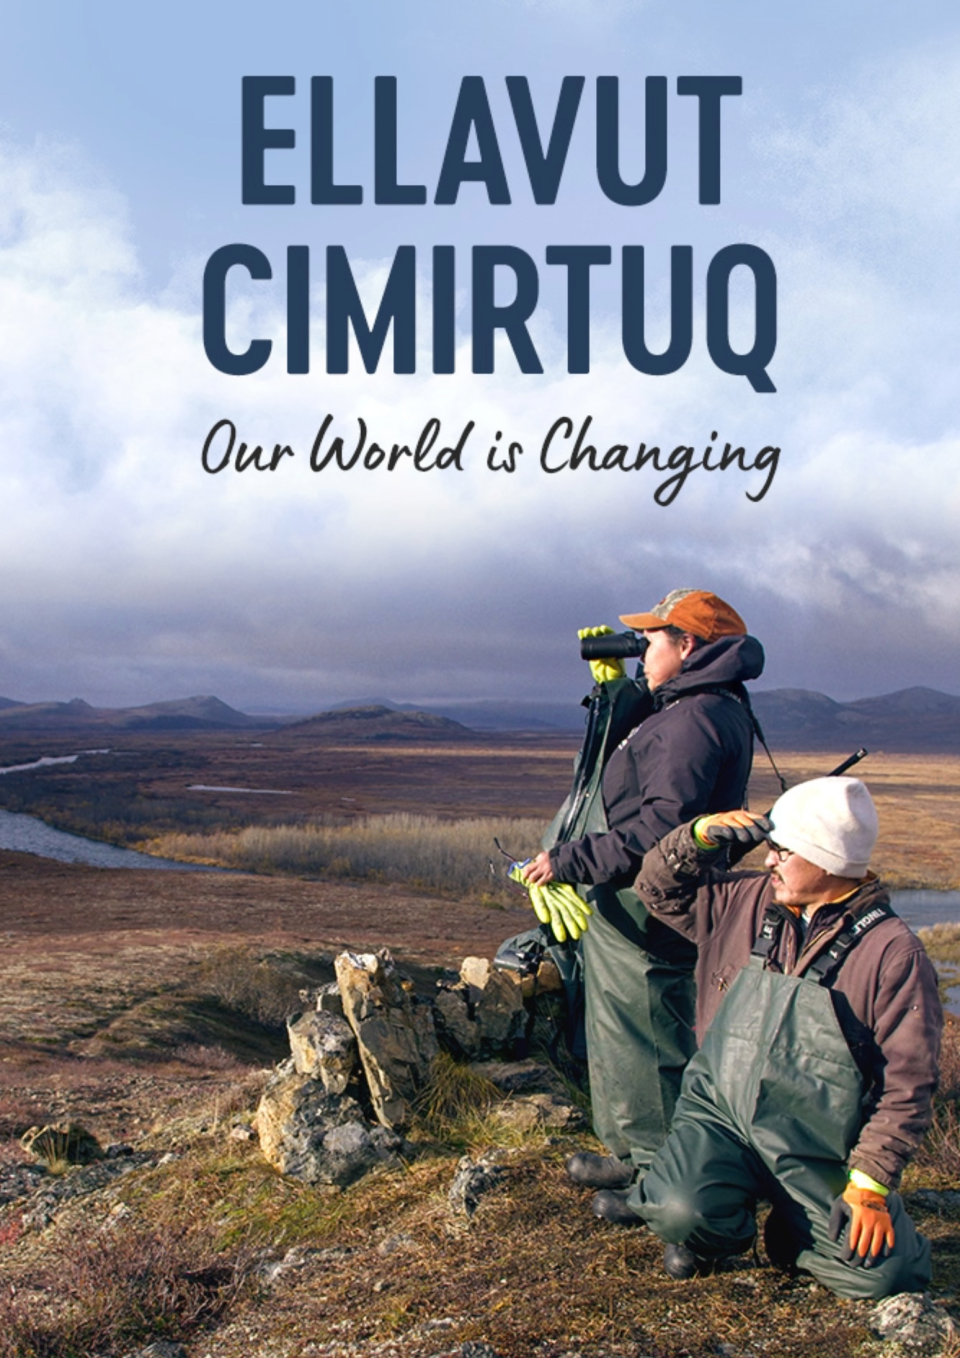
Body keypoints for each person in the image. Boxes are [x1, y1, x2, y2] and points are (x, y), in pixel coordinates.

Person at [593, 777, 942, 1301]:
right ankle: (710, 1229)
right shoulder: (747, 900)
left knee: (888, 1277)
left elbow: (907, 1084)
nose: (769, 860)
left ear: (827, 860)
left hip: (816, 1145)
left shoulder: (893, 954)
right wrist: (699, 836)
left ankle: (793, 1231)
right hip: (721, 1118)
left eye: (784, 849)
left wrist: (869, 1183)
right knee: (676, 1208)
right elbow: (657, 888)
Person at [520, 588, 765, 1190]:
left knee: (651, 1036)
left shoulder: (697, 720)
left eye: (651, 639)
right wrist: (617, 691)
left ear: (687, 645)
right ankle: (631, 1152)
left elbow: (658, 829)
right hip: (634, 897)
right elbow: (630, 762)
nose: (641, 648)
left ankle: (661, 1179)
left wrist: (571, 860)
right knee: (622, 1031)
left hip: (649, 903)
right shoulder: (695, 706)